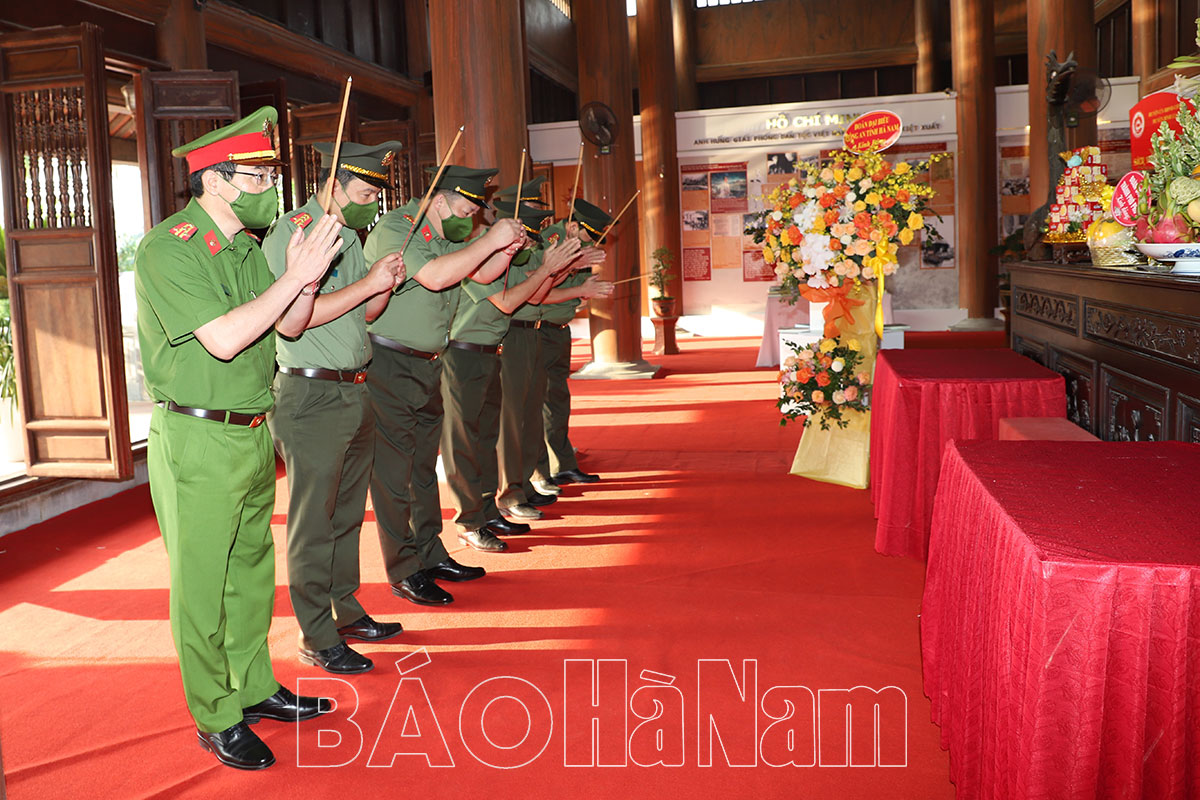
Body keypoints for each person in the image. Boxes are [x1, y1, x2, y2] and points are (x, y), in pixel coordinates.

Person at [135, 106, 340, 770]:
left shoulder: (248, 248)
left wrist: (306, 275)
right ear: (216, 180)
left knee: (251, 573)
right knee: (201, 584)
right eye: (257, 177)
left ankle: (253, 687)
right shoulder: (169, 247)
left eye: (268, 177)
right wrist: (292, 280)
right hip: (197, 436)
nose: (269, 189)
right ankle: (215, 714)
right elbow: (224, 339)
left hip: (252, 430)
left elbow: (290, 325)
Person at [262, 141, 406, 676]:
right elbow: (293, 320)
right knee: (313, 520)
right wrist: (368, 283)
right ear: (333, 185)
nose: (371, 205)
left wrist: (383, 283)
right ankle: (316, 633)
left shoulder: (347, 235)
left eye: (374, 196)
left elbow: (363, 313)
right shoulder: (294, 232)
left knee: (346, 515)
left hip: (355, 389)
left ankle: (344, 608)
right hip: (312, 395)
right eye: (364, 193)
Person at [362, 165, 526, 606]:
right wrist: (490, 240)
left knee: (421, 469)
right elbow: (434, 276)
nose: (470, 220)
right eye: (466, 211)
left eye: (475, 214)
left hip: (428, 363)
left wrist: (506, 249)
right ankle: (403, 569)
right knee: (394, 475)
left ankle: (430, 553)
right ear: (438, 200)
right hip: (390, 361)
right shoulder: (399, 227)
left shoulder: (446, 235)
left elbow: (481, 274)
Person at [440, 197, 582, 550]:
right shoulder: (478, 253)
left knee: (487, 439)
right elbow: (507, 301)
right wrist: (546, 270)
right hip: (462, 353)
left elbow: (531, 296)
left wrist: (551, 269)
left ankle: (487, 510)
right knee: (463, 443)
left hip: (491, 351)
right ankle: (468, 520)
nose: (527, 243)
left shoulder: (509, 256)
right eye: (524, 235)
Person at [531, 200, 614, 494]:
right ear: (572, 226)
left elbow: (568, 290)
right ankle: (539, 472)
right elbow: (538, 292)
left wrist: (584, 292)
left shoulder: (577, 245)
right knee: (536, 404)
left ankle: (562, 464)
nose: (589, 244)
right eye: (587, 236)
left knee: (557, 403)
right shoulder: (550, 243)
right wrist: (578, 285)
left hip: (558, 330)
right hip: (539, 330)